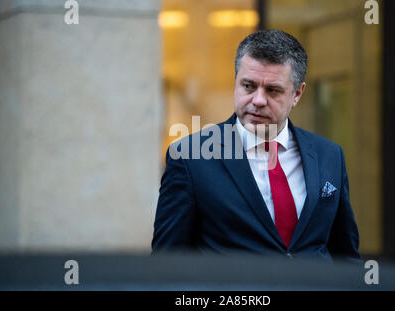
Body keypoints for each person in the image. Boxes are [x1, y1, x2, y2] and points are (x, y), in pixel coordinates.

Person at [152, 30, 361, 262]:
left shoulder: (329, 155)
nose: (258, 100)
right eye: (249, 86)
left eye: (273, 90)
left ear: (297, 94)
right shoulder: (189, 158)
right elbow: (167, 263)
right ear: (236, 83)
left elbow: (345, 255)